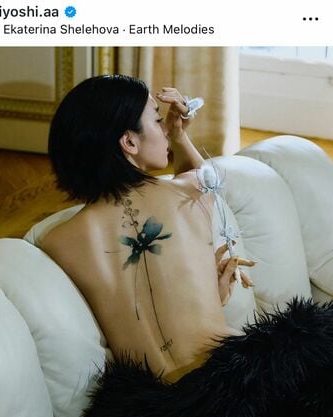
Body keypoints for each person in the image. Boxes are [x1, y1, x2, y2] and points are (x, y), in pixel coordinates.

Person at [41, 75, 255, 381]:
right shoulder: (186, 192)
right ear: (129, 142)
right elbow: (205, 178)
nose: (165, 129)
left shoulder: (57, 241)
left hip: (153, 404)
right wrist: (180, 135)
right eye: (157, 120)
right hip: (232, 381)